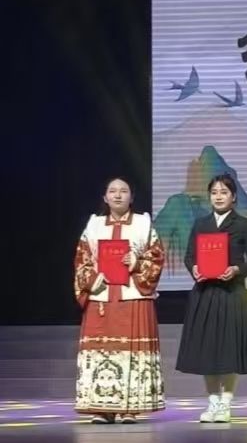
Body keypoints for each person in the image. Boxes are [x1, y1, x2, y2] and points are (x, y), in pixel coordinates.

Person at [73, 177, 165, 424]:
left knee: (132, 352)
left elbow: (157, 257)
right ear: (104, 197)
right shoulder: (94, 225)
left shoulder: (144, 224)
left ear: (131, 197)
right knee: (100, 350)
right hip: (101, 296)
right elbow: (82, 259)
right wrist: (92, 279)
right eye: (112, 191)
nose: (117, 195)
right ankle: (101, 407)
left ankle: (130, 407)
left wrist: (137, 262)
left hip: (133, 295)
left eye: (123, 191)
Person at [176, 173, 247, 423]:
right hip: (205, 293)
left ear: (233, 197)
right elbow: (189, 256)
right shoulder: (201, 224)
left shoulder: (244, 224)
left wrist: (236, 270)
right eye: (214, 192)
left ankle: (226, 403)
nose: (218, 196)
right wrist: (193, 268)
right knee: (208, 349)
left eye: (224, 192)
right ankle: (213, 402)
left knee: (230, 349)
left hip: (232, 293)